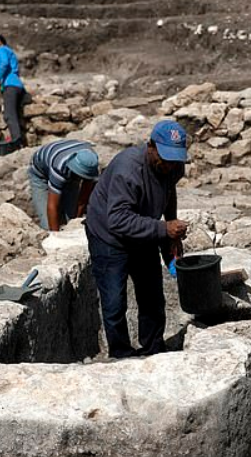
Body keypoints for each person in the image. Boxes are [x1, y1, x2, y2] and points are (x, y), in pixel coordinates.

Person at [85, 120, 190, 359]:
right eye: (165, 158)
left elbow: (169, 190)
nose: (169, 165)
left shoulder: (172, 166)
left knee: (152, 295)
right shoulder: (128, 170)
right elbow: (118, 220)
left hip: (143, 230)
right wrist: (164, 228)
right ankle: (121, 353)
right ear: (151, 146)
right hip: (108, 236)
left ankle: (153, 349)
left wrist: (170, 229)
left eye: (175, 159)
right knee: (114, 301)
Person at [29, 139, 99, 231]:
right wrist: (57, 238)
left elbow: (83, 198)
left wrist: (75, 223)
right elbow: (52, 206)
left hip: (68, 169)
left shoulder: (90, 162)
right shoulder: (59, 167)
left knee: (70, 220)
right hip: (41, 175)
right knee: (47, 226)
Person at [0, 34, 26, 149]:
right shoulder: (9, 51)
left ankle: (17, 143)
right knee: (15, 114)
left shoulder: (2, 49)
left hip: (11, 87)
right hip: (16, 86)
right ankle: (19, 141)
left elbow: (4, 64)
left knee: (9, 115)